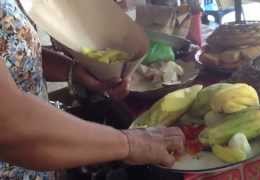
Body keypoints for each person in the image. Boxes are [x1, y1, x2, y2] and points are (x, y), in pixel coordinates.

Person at [0, 0, 185, 179]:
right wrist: (131, 143)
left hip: (39, 161)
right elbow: (10, 126)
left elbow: (14, 51)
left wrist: (75, 71)